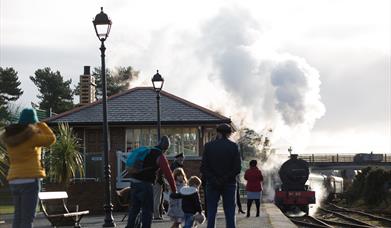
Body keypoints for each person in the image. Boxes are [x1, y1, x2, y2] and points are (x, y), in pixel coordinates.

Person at [0, 108, 56, 228]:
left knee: (18, 216)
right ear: (33, 121)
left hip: (14, 180)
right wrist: (41, 124)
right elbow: (51, 139)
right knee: (27, 218)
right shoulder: (31, 137)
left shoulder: (9, 138)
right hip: (30, 179)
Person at [126, 136, 177, 228]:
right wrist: (174, 190)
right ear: (165, 148)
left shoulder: (148, 150)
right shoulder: (159, 155)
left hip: (133, 182)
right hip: (145, 184)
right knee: (147, 210)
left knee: (134, 209)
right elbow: (168, 174)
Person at [200, 123, 241, 228]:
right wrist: (224, 178)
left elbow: (204, 167)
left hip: (212, 183)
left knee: (212, 211)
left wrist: (214, 179)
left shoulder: (208, 146)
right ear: (229, 134)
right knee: (230, 212)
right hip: (229, 183)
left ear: (217, 132)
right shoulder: (233, 146)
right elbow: (237, 168)